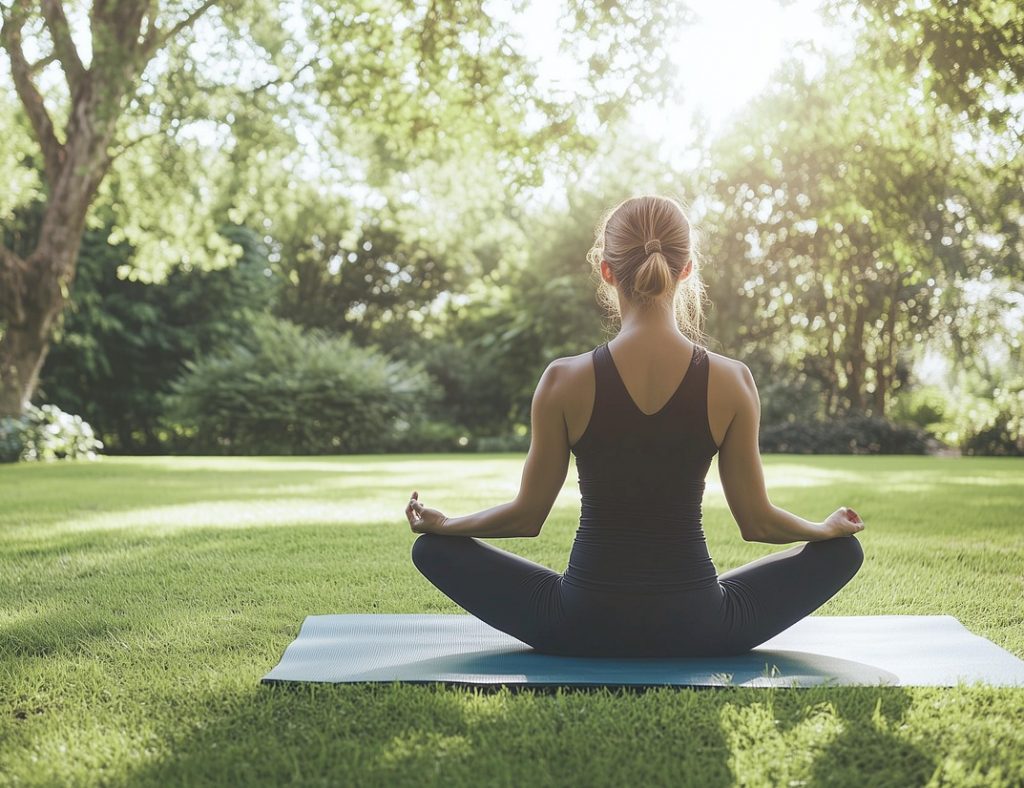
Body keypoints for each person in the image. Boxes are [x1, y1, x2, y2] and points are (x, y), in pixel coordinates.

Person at [404, 194, 864, 657]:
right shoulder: (732, 380)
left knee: (432, 550)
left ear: (606, 271)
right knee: (844, 554)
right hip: (700, 624)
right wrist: (823, 531)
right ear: (686, 270)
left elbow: (527, 517)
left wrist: (448, 524)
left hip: (580, 623)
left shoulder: (563, 380)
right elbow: (757, 522)